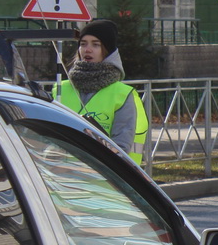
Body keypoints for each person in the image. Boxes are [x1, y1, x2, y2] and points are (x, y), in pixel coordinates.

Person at [55, 19, 149, 164]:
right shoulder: (60, 89)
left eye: (96, 44)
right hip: (59, 180)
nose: (87, 49)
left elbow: (121, 147)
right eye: (83, 43)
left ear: (108, 51)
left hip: (100, 181)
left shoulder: (122, 94)